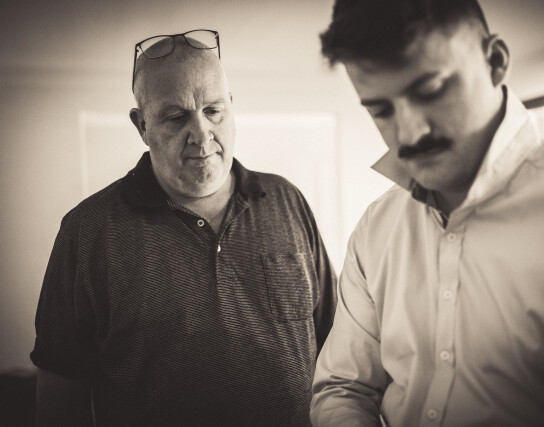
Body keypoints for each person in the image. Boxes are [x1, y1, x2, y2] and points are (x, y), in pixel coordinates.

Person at [310, 1, 544, 426]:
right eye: (380, 110)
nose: (409, 133)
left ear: (495, 61)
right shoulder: (377, 226)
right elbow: (342, 387)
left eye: (431, 91)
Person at [31, 30, 337, 426]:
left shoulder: (287, 200)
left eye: (214, 110)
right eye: (176, 117)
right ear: (142, 125)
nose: (202, 134)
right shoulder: (88, 231)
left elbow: (337, 346)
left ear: (231, 106)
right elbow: (60, 392)